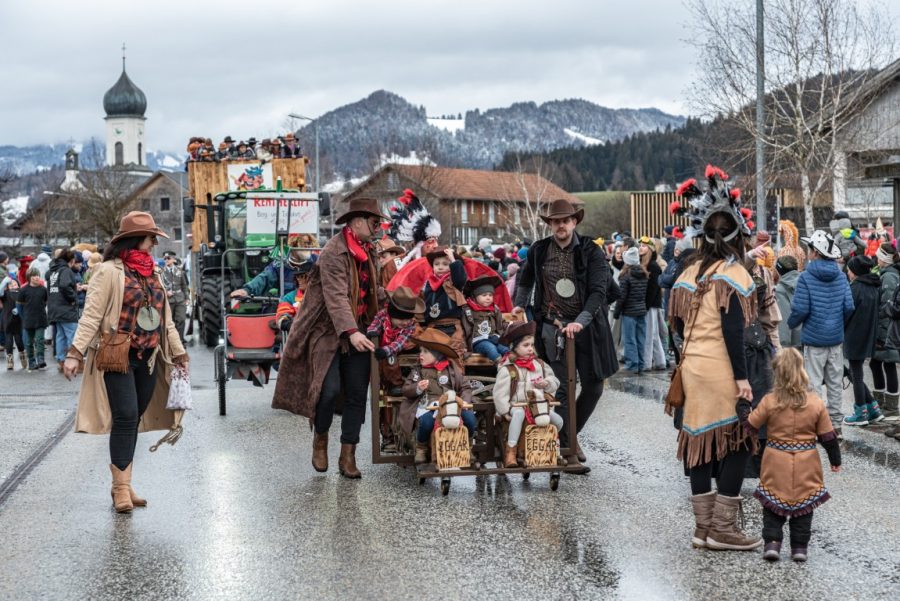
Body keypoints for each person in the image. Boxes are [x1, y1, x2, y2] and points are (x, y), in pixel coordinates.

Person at [62, 211, 188, 513]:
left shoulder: (154, 272)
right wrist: (75, 353)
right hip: (117, 355)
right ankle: (120, 488)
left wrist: (179, 352)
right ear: (135, 239)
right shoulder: (107, 271)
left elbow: (166, 319)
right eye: (151, 237)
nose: (155, 243)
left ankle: (124, 481)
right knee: (126, 415)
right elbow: (91, 315)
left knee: (134, 417)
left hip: (150, 357)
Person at [667, 166, 761, 551]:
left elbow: (675, 323)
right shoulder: (734, 274)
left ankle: (702, 530)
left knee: (699, 445)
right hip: (722, 370)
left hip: (692, 368)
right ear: (738, 235)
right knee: (737, 442)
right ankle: (722, 530)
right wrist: (742, 378)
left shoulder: (689, 271)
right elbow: (733, 331)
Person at [272, 197, 386, 479]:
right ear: (357, 222)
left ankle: (348, 455)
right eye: (374, 223)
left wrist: (399, 300)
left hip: (359, 328)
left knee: (357, 394)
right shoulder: (334, 251)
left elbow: (372, 290)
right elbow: (336, 297)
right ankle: (320, 437)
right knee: (328, 390)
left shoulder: (369, 249)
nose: (378, 228)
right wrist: (351, 331)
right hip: (326, 330)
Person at [513, 199, 618, 474]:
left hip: (588, 327)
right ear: (550, 224)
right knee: (562, 387)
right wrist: (519, 305)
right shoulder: (539, 250)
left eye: (565, 220)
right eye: (556, 221)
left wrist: (581, 322)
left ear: (574, 222)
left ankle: (570, 436)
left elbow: (599, 291)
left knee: (594, 386)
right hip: (552, 327)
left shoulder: (591, 251)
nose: (561, 225)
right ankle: (567, 450)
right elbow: (526, 279)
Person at [746, 348, 842, 562]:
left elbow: (751, 425)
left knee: (772, 504)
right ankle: (799, 548)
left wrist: (744, 407)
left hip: (775, 460)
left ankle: (772, 543)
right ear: (802, 371)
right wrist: (835, 460)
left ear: (776, 373)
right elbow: (828, 436)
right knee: (804, 507)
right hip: (807, 461)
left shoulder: (770, 400)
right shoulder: (815, 402)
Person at [787, 230, 854, 436]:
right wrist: (837, 324)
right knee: (835, 383)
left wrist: (791, 324)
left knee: (814, 384)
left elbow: (800, 309)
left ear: (816, 252)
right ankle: (836, 426)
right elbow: (849, 307)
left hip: (814, 339)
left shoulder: (806, 277)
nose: (808, 253)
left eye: (809, 249)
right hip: (835, 339)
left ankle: (817, 425)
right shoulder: (841, 276)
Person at [492, 321, 563, 467]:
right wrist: (504, 411)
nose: (530, 348)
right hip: (516, 406)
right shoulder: (508, 369)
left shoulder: (539, 365)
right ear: (514, 347)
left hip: (537, 407)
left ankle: (552, 449)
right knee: (519, 414)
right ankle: (511, 451)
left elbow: (554, 381)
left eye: (532, 345)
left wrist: (547, 383)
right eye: (525, 345)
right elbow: (500, 394)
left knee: (558, 421)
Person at [401, 328, 475, 464]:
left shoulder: (451, 369)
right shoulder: (418, 371)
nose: (421, 355)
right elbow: (406, 390)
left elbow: (465, 387)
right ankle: (421, 448)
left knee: (470, 418)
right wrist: (417, 388)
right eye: (420, 351)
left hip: (451, 405)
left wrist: (464, 401)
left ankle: (467, 446)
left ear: (437, 355)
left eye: (425, 352)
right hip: (429, 406)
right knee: (426, 422)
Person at [843, 256, 884, 426]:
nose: (847, 272)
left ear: (855, 272)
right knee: (855, 373)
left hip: (854, 335)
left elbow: (846, 312)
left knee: (856, 374)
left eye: (849, 270)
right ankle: (873, 408)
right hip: (868, 334)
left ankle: (861, 412)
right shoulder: (873, 286)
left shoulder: (855, 288)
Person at [421, 246, 468, 359]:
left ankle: (453, 371)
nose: (440, 267)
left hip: (452, 326)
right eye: (436, 264)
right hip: (433, 326)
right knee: (432, 355)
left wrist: (453, 260)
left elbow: (460, 278)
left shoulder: (453, 282)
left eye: (445, 264)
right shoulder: (428, 283)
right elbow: (425, 303)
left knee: (455, 355)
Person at [871, 242, 900, 420]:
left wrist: (879, 325)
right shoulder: (887, 273)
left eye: (878, 256)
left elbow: (887, 306)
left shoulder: (889, 276)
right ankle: (881, 402)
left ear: (884, 259)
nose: (876, 259)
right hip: (885, 327)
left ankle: (890, 406)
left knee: (887, 363)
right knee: (877, 363)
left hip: (885, 328)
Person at [614, 247, 648, 374]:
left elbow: (621, 297)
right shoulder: (644, 274)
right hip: (641, 310)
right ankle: (641, 364)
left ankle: (633, 365)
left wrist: (617, 312)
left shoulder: (625, 276)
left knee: (630, 339)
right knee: (641, 339)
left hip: (629, 312)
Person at [461, 274, 508, 365]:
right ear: (475, 296)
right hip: (478, 341)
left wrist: (510, 326)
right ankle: (501, 364)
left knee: (503, 348)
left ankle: (512, 362)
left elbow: (501, 323)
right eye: (484, 295)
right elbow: (463, 329)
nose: (488, 298)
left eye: (490, 295)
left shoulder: (494, 309)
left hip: (494, 338)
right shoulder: (468, 310)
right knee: (490, 348)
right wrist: (463, 346)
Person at [46, 249, 80, 372]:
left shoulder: (53, 270)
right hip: (66, 308)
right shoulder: (66, 270)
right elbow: (65, 285)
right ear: (71, 260)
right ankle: (72, 362)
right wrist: (73, 297)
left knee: (60, 335)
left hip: (54, 307)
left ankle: (61, 361)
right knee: (72, 335)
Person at [639, 236, 667, 371]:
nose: (640, 248)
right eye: (640, 245)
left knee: (649, 335)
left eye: (644, 246)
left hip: (650, 305)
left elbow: (653, 289)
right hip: (649, 304)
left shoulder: (653, 266)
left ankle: (646, 363)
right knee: (653, 334)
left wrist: (646, 306)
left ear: (650, 249)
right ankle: (660, 361)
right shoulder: (644, 264)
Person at [17, 267, 48, 371]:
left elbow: (45, 302)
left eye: (38, 275)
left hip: (41, 319)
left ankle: (40, 359)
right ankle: (31, 361)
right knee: (29, 342)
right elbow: (19, 306)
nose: (37, 277)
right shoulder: (23, 290)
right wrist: (24, 317)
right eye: (34, 275)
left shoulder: (43, 289)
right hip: (28, 319)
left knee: (40, 339)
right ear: (29, 277)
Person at [274, 260, 314, 332]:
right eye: (297, 276)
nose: (299, 279)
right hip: (300, 334)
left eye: (302, 276)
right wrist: (288, 324)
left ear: (312, 277)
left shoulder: (324, 294)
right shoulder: (289, 298)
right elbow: (282, 316)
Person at [162, 251, 190, 343]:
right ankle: (171, 342)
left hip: (180, 299)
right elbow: (158, 286)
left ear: (173, 259)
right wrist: (165, 292)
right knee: (170, 322)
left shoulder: (180, 271)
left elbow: (184, 286)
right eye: (165, 258)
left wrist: (187, 298)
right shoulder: (161, 272)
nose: (166, 260)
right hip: (168, 300)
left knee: (181, 319)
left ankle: (180, 341)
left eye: (168, 258)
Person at [774, 256, 802, 349]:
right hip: (808, 337)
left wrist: (783, 346)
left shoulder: (780, 290)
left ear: (778, 270)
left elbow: (784, 319)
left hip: (793, 343)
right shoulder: (805, 282)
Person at [1, 273, 25, 370]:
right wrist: (4, 282)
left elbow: (25, 304)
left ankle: (23, 356)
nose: (12, 285)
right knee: (9, 341)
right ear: (7, 286)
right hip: (7, 320)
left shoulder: (21, 293)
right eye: (10, 284)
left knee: (19, 341)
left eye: (14, 283)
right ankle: (10, 361)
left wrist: (19, 310)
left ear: (18, 285)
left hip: (18, 321)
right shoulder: (5, 294)